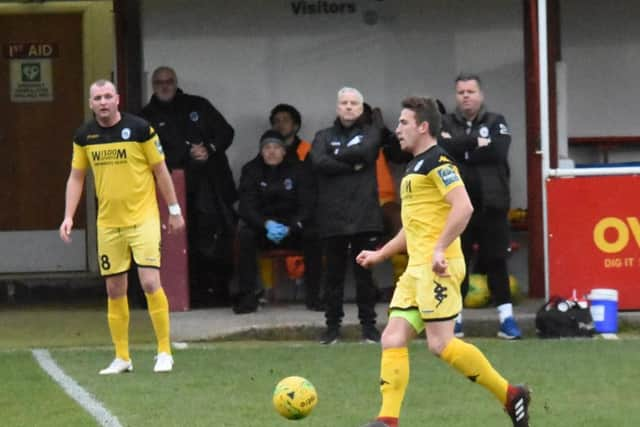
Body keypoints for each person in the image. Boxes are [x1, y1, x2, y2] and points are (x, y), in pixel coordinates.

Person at [356, 96, 530, 427]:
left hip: (439, 267)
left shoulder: (439, 163)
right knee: (392, 339)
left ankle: (511, 394)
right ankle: (387, 420)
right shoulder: (414, 166)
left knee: (441, 344)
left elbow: (463, 207)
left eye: (404, 123)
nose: (397, 130)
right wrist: (381, 254)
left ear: (423, 127)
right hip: (416, 269)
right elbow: (413, 227)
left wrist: (439, 249)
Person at [59, 79, 185, 374]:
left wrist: (174, 209)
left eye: (107, 96)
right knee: (115, 289)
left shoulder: (140, 129)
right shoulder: (84, 136)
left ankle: (164, 351)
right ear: (90, 104)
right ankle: (122, 357)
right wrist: (68, 216)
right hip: (108, 224)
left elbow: (160, 169)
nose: (103, 102)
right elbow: (76, 177)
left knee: (150, 282)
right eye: (97, 98)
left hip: (143, 219)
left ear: (117, 98)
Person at [141, 66, 237, 308]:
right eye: (160, 82)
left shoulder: (198, 105)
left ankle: (216, 292)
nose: (165, 85)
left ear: (176, 82)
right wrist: (185, 154)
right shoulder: (146, 116)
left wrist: (209, 149)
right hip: (170, 189)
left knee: (212, 237)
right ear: (153, 85)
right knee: (176, 241)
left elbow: (226, 132)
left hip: (210, 186)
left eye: (169, 81)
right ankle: (183, 294)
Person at [438, 73, 522, 339]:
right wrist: (476, 144)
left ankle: (506, 320)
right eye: (461, 92)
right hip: (458, 208)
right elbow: (443, 149)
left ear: (480, 95)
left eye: (470, 91)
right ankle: (456, 319)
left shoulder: (497, 121)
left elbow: (498, 151)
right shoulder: (445, 122)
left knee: (497, 260)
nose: (466, 96)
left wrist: (462, 149)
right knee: (457, 262)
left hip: (493, 204)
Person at [310, 87, 383, 344]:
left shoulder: (371, 133)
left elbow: (367, 152)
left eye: (354, 103)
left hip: (364, 214)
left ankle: (369, 327)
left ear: (361, 108)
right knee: (334, 276)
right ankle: (332, 328)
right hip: (333, 216)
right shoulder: (323, 136)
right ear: (337, 107)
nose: (349, 107)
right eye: (344, 103)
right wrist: (351, 164)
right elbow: (318, 161)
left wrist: (337, 157)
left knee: (365, 274)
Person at [233, 130, 315, 313]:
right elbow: (246, 206)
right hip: (263, 229)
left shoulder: (299, 169)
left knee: (314, 235)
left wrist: (292, 226)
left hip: (292, 229)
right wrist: (265, 224)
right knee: (245, 235)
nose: (271, 152)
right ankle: (248, 298)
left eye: (276, 147)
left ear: (284, 151)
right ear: (261, 151)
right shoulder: (251, 170)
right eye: (267, 148)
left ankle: (315, 297)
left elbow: (308, 204)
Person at [269, 104, 324, 311]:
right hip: (273, 220)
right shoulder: (267, 150)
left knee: (314, 235)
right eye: (276, 121)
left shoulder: (307, 151)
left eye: (285, 120)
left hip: (300, 217)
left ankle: (315, 296)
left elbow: (311, 192)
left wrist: (296, 221)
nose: (280, 124)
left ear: (296, 125)